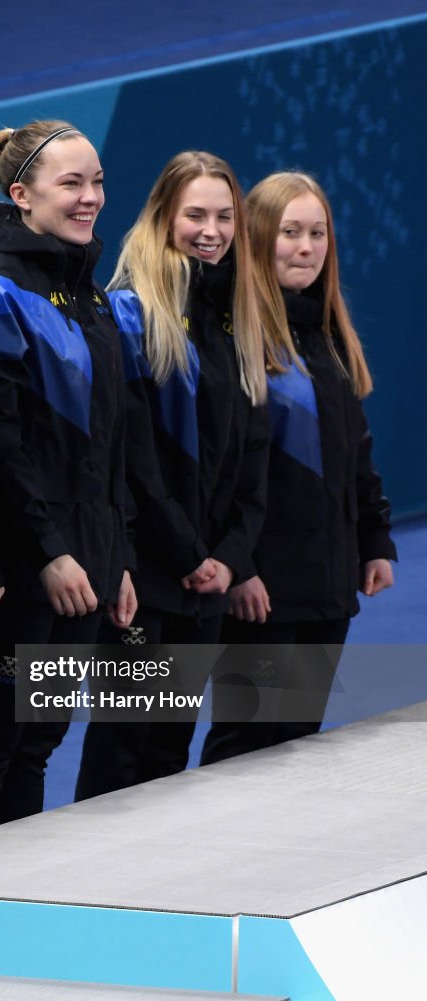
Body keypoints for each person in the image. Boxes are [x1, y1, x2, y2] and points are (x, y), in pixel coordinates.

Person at [0, 119, 136, 840]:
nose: (90, 199)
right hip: (29, 565)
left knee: (36, 745)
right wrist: (48, 553)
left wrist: (115, 555)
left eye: (98, 182)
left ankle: (10, 905)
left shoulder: (88, 291)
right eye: (71, 184)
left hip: (90, 559)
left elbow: (106, 443)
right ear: (21, 194)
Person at [74, 151, 269, 800]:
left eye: (223, 216)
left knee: (169, 747)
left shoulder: (234, 318)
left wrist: (228, 558)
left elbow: (248, 459)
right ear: (163, 218)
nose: (210, 230)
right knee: (122, 747)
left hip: (206, 580)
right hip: (149, 576)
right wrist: (187, 553)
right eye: (195, 215)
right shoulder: (128, 315)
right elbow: (130, 458)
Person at [200, 171, 396, 764]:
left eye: (317, 233)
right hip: (263, 591)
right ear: (257, 239)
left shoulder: (329, 337)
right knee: (248, 744)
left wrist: (375, 540)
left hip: (328, 586)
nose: (306, 247)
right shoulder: (233, 341)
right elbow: (218, 476)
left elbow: (355, 457)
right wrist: (240, 567)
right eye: (289, 232)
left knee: (298, 741)